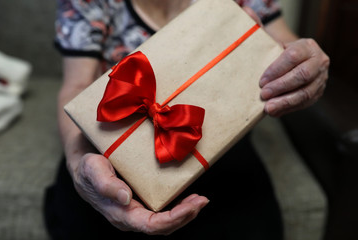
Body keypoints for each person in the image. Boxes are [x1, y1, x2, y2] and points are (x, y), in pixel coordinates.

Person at [44, 0, 330, 239]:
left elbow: (285, 45)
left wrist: (306, 66)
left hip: (222, 154)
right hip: (107, 155)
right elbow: (76, 87)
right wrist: (77, 159)